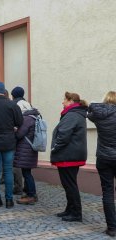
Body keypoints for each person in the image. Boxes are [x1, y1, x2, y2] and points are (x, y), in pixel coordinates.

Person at [51, 91, 88, 222]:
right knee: (68, 184)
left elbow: (64, 135)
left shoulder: (72, 115)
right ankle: (70, 209)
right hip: (70, 155)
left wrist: (55, 147)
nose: (62, 102)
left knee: (70, 184)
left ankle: (76, 213)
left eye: (64, 100)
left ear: (71, 101)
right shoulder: (75, 114)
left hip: (69, 155)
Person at [88, 91, 116, 237]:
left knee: (108, 192)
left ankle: (112, 228)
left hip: (104, 158)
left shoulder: (100, 116)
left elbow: (90, 112)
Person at [14, 96, 40, 205]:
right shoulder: (34, 117)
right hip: (29, 150)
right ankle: (30, 193)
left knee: (27, 173)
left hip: (26, 150)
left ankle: (31, 195)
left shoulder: (27, 119)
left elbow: (20, 134)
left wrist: (15, 130)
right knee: (27, 172)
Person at [11, 86, 27, 195]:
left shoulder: (15, 105)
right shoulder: (28, 104)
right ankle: (27, 186)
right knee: (25, 163)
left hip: (18, 135)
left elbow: (14, 121)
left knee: (16, 162)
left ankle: (18, 187)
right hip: (28, 137)